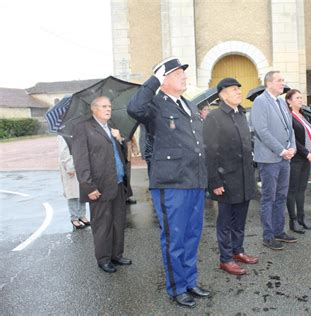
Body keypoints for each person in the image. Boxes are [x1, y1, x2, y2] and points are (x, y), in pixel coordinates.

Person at [127, 57, 210, 309]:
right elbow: (134, 109)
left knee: (192, 235)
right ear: (163, 80)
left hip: (194, 181)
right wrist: (154, 79)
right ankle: (177, 288)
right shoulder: (154, 104)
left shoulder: (188, 105)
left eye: (183, 74)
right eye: (176, 74)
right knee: (175, 237)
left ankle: (190, 281)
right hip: (171, 182)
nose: (184, 77)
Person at [203, 77, 258, 276]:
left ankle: (238, 250)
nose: (238, 92)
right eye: (233, 89)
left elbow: (246, 146)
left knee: (240, 219)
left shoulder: (241, 114)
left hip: (244, 178)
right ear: (222, 94)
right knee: (225, 222)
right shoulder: (214, 117)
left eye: (238, 89)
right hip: (225, 179)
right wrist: (214, 181)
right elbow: (210, 151)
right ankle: (225, 259)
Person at [71, 96, 132, 273]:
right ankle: (103, 258)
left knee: (118, 222)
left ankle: (116, 255)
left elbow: (120, 155)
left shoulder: (112, 129)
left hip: (118, 183)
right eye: (104, 106)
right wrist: (88, 187)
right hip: (99, 186)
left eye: (110, 106)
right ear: (94, 109)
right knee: (102, 225)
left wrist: (120, 139)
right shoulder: (83, 128)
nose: (108, 109)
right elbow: (81, 160)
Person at [250, 70, 297, 251]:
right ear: (268, 83)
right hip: (270, 159)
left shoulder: (281, 102)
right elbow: (261, 131)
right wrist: (281, 150)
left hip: (285, 157)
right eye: (279, 80)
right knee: (268, 197)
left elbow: (289, 128)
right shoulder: (261, 102)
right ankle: (268, 236)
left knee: (281, 196)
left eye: (283, 80)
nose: (282, 83)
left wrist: (291, 147)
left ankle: (279, 231)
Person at [285, 89, 311, 234]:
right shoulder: (289, 117)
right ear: (289, 101)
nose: (300, 99)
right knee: (292, 190)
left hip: (307, 158)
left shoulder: (303, 115)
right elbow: (293, 140)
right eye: (297, 98)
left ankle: (301, 218)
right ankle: (293, 220)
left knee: (301, 190)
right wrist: (306, 153)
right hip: (296, 158)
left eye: (300, 97)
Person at [57, 135, 89, 230]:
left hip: (79, 163)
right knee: (72, 193)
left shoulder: (77, 130)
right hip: (70, 165)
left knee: (81, 191)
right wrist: (70, 166)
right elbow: (63, 152)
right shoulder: (63, 134)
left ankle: (82, 215)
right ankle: (74, 217)